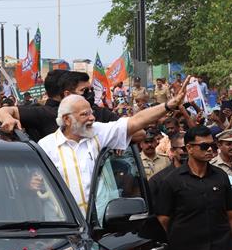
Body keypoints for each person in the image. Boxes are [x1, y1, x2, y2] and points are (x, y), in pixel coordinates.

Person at [37, 82, 186, 215]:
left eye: (91, 113)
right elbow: (33, 183)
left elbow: (136, 121)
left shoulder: (97, 132)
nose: (92, 118)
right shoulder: (45, 147)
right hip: (63, 229)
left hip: (100, 225)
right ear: (66, 119)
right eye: (85, 114)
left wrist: (168, 105)